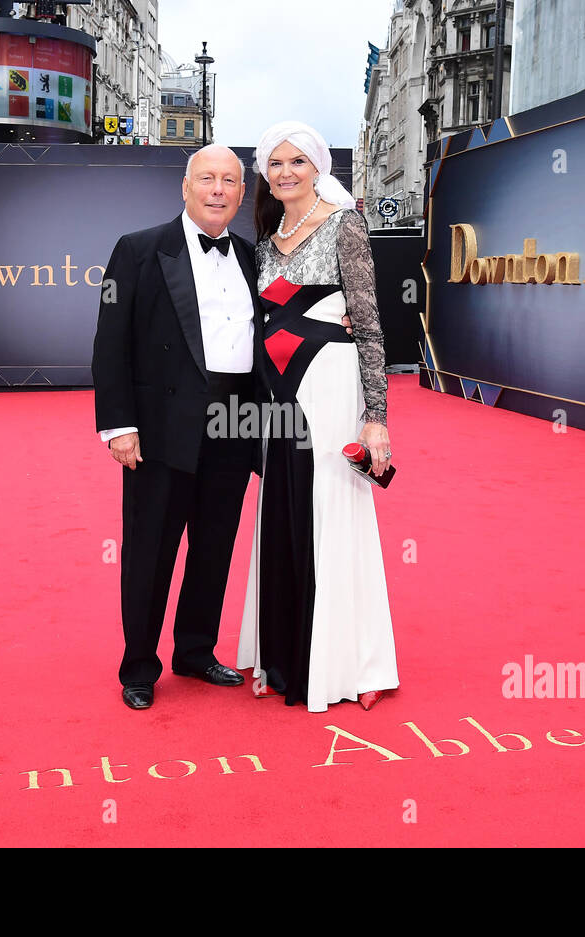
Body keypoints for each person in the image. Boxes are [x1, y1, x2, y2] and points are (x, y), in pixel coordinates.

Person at [92, 144, 267, 712]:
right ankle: (139, 664)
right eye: (207, 179)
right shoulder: (139, 250)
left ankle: (196, 651)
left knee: (214, 547)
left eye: (230, 181)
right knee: (151, 549)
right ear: (185, 187)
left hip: (234, 420)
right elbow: (110, 345)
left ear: (242, 193)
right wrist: (119, 425)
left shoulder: (251, 255)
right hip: (163, 426)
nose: (218, 190)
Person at [237, 121, 399, 713]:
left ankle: (355, 663)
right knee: (281, 509)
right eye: (274, 163)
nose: (284, 173)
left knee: (334, 512)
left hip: (330, 385)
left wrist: (376, 416)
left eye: (296, 162)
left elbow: (370, 321)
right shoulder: (264, 237)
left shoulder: (344, 224)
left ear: (317, 167)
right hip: (277, 393)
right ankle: (281, 654)